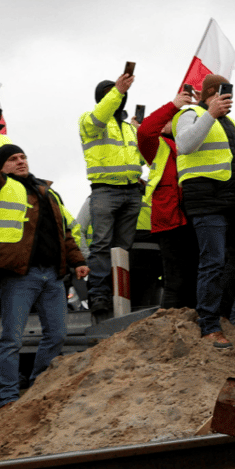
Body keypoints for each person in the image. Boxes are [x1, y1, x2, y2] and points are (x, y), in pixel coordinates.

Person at [0, 128, 89, 409]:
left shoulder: (48, 192)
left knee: (57, 335)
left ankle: (38, 387)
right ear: (1, 167)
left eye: (22, 157)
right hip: (20, 275)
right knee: (11, 339)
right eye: (12, 159)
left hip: (53, 275)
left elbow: (63, 232)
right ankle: (7, 397)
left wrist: (78, 261)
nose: (20, 161)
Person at [173, 75, 235, 348]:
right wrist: (209, 113)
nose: (227, 99)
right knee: (213, 262)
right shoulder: (191, 114)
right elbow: (185, 145)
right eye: (223, 93)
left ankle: (221, 316)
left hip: (234, 201)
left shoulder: (231, 125)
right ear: (211, 93)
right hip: (207, 201)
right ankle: (209, 325)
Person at [78, 73, 143, 319]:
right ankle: (99, 294)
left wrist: (143, 133)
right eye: (109, 93)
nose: (117, 96)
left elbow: (141, 159)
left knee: (123, 248)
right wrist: (118, 90)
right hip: (104, 190)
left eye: (118, 93)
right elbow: (101, 115)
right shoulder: (89, 120)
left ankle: (119, 292)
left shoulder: (129, 129)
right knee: (102, 245)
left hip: (131, 191)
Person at [136, 88, 199, 309]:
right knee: (175, 281)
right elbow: (145, 131)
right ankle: (170, 324)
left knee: (195, 277)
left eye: (172, 119)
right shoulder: (157, 145)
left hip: (194, 215)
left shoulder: (193, 142)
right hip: (171, 219)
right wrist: (173, 106)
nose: (167, 122)